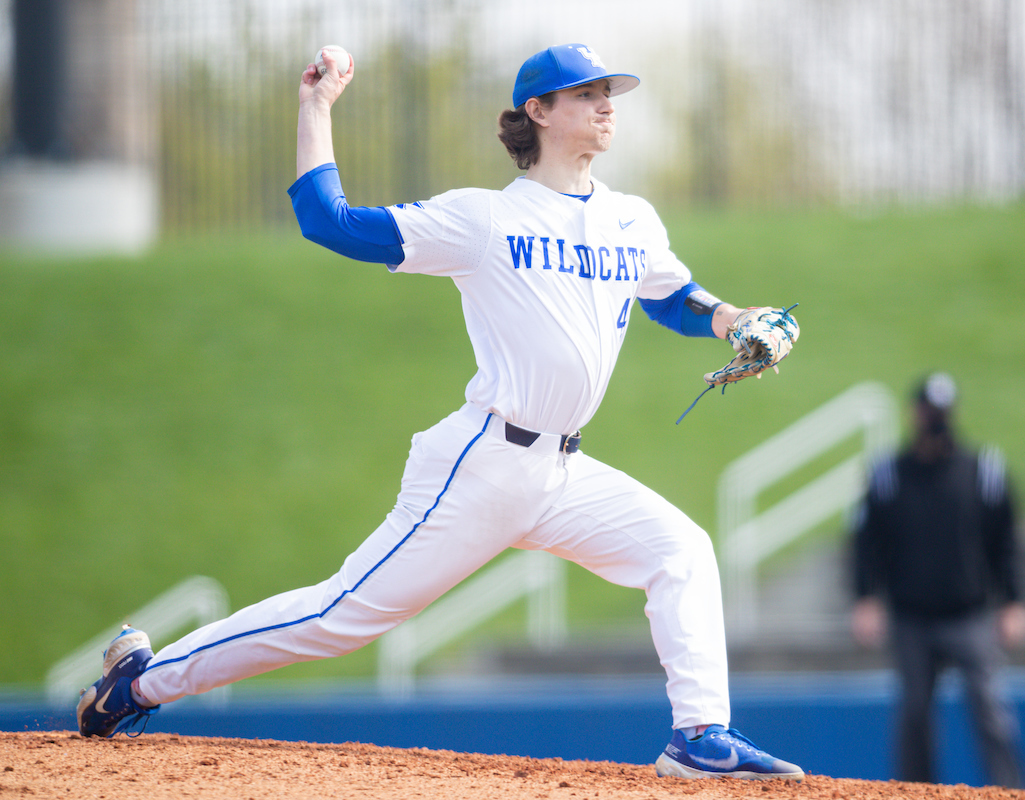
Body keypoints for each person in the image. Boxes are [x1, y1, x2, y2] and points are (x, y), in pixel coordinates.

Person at [75, 43, 805, 782]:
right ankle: (138, 680)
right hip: (482, 467)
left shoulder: (632, 220)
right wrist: (316, 109)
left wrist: (735, 318)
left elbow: (671, 296)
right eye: (585, 93)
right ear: (538, 112)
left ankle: (700, 736)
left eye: (608, 91)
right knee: (341, 618)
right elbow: (331, 223)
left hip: (563, 472)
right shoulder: (482, 219)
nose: (606, 103)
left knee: (679, 550)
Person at [851, 372, 1025, 787]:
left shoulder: (982, 471)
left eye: (941, 412)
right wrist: (865, 597)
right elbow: (866, 541)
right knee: (914, 713)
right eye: (929, 411)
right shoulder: (889, 475)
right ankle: (917, 792)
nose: (935, 420)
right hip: (911, 615)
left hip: (968, 614)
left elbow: (1005, 540)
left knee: (991, 711)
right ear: (914, 413)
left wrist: (1013, 600)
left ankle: (1014, 792)